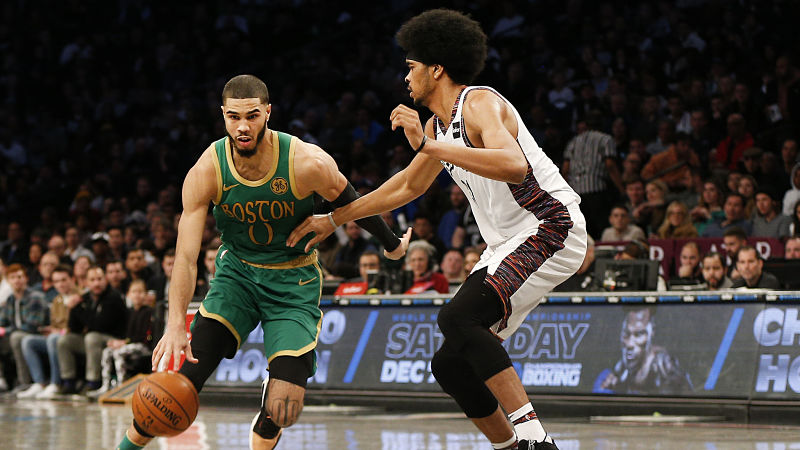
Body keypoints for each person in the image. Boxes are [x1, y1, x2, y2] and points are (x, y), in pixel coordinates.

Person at [288, 10, 587, 449]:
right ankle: (509, 446)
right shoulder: (438, 126)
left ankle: (536, 440)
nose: (405, 77)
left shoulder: (480, 102)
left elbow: (514, 164)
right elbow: (408, 185)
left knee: (457, 316)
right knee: (450, 363)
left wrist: (428, 145)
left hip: (549, 225)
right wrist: (335, 217)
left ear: (437, 68)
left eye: (411, 67)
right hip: (507, 242)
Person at [115, 74, 410, 450]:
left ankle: (266, 421)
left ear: (268, 112)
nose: (243, 126)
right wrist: (175, 323)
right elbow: (186, 258)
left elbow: (350, 201)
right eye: (234, 117)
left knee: (284, 407)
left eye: (252, 116)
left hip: (292, 282)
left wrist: (392, 244)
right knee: (175, 387)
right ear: (223, 116)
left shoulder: (306, 162)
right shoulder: (208, 169)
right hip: (236, 276)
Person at [57, 265, 128, 395]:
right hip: (94, 341)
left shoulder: (113, 297)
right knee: (65, 340)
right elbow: (74, 328)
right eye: (93, 280)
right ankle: (68, 382)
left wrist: (78, 307)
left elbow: (100, 325)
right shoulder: (85, 298)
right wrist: (72, 308)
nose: (97, 283)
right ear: (86, 282)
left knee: (92, 337)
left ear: (105, 280)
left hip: (114, 339)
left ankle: (93, 383)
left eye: (100, 279)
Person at [596, 307, 693, 394]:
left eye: (638, 335)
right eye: (626, 334)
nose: (630, 344)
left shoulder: (664, 367)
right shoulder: (616, 371)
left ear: (651, 333)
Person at [17, 264, 77, 399]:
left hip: (72, 337)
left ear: (72, 279)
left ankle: (56, 383)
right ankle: (39, 383)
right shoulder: (57, 300)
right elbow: (55, 324)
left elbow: (79, 326)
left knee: (53, 338)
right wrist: (51, 329)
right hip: (57, 336)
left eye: (63, 280)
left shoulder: (80, 296)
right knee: (28, 341)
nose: (60, 284)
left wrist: (59, 331)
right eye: (56, 281)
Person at [88, 279, 156, 398]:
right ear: (129, 295)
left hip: (143, 347)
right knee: (107, 351)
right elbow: (127, 335)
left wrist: (124, 342)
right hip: (130, 344)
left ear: (146, 294)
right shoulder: (129, 312)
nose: (137, 295)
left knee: (118, 353)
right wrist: (118, 342)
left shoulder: (149, 312)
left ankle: (122, 387)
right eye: (134, 292)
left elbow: (143, 337)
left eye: (141, 292)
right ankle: (105, 386)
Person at [562, 110, 623, 239]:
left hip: (576, 193)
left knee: (583, 232)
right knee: (600, 230)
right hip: (597, 191)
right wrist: (621, 189)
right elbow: (610, 165)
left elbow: (565, 170)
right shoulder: (605, 139)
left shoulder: (574, 141)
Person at [0, 263, 48, 392]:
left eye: (20, 277)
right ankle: (1, 379)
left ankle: (24, 381)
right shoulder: (10, 299)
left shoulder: (35, 297)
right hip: (15, 335)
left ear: (26, 279)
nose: (17, 280)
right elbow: (2, 321)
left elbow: (33, 325)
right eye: (13, 277)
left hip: (36, 335)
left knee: (16, 337)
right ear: (8, 280)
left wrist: (6, 330)